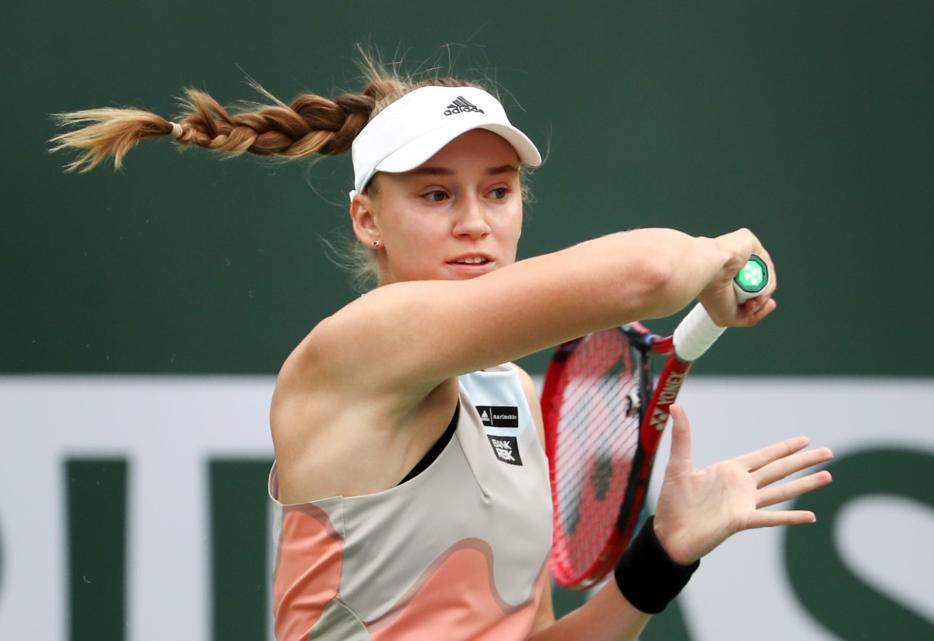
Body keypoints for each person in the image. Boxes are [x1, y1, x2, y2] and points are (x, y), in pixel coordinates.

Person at [50, 55, 833, 641]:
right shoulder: (357, 349)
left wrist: (659, 559)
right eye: (435, 194)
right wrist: (718, 254)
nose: (475, 222)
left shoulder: (513, 396)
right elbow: (651, 272)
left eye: (498, 190)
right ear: (367, 219)